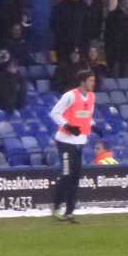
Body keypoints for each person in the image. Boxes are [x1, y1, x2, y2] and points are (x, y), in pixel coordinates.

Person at [49, 68, 94, 222]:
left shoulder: (92, 97)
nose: (93, 83)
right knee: (66, 174)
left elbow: (85, 116)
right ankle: (56, 208)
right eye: (90, 80)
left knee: (75, 176)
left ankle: (69, 211)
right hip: (65, 141)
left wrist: (94, 126)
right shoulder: (70, 96)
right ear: (83, 82)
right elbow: (54, 113)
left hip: (79, 141)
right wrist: (68, 126)